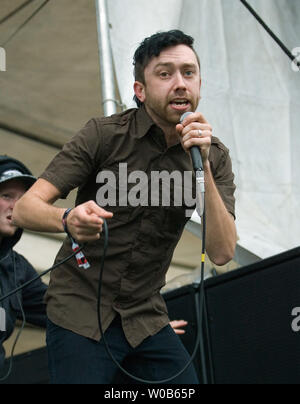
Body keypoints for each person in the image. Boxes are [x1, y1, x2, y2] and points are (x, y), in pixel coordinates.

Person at [13, 30, 237, 384]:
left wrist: (204, 166)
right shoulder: (103, 135)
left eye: (189, 73)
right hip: (79, 311)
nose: (180, 83)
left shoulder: (214, 156)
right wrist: (68, 218)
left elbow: (222, 252)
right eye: (165, 74)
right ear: (140, 91)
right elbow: (25, 208)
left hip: (145, 317)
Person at [0, 156, 47, 375]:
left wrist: (148, 331)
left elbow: (61, 310)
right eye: (6, 196)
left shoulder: (16, 267)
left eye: (23, 199)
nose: (15, 206)